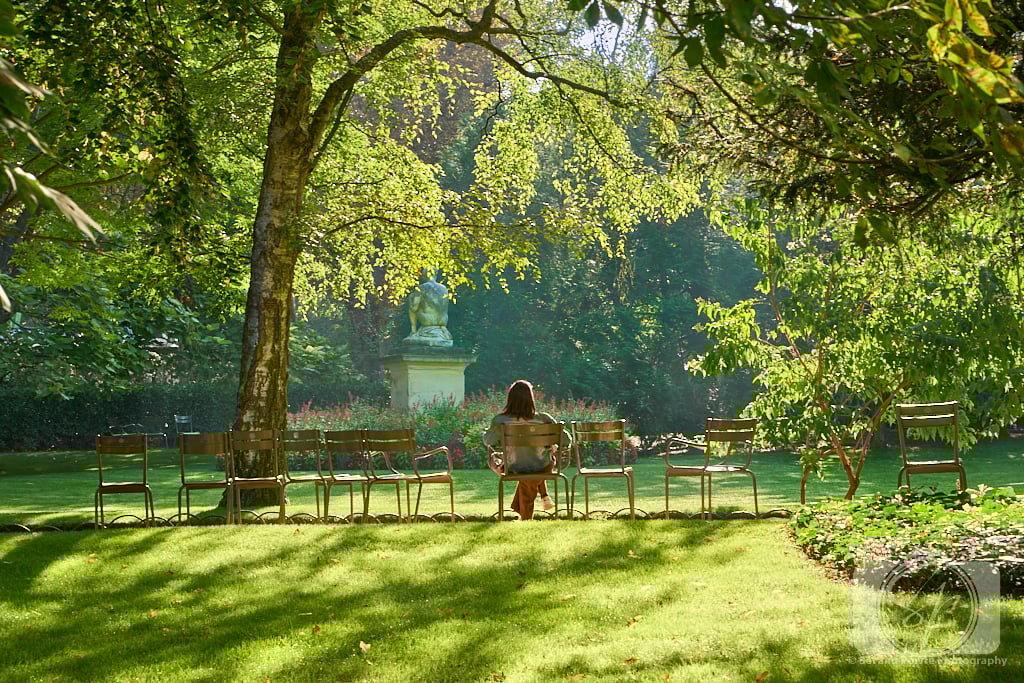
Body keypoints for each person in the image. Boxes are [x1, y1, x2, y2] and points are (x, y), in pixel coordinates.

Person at [483, 379, 573, 520]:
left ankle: (526, 516)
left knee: (526, 472)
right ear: (531, 398)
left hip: (512, 467)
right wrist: (553, 447)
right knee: (535, 469)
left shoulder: (500, 420)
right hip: (543, 466)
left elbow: (488, 441)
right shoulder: (544, 419)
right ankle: (537, 504)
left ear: (510, 398)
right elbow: (567, 440)